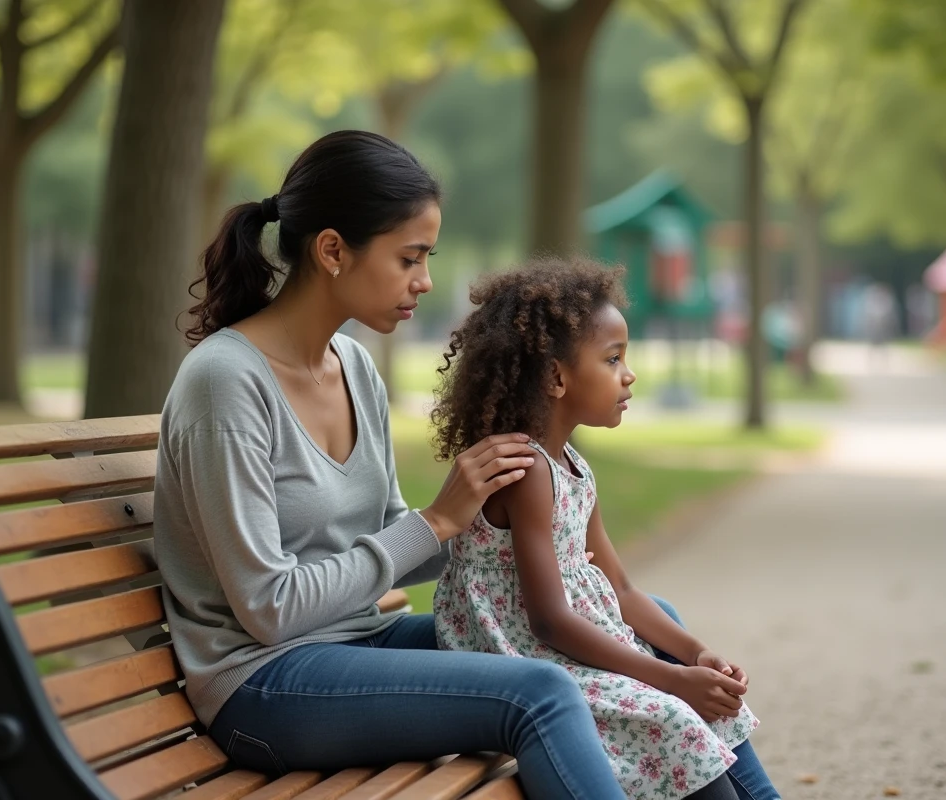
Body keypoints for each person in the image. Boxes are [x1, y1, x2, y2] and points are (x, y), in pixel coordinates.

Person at [156, 130, 669, 799]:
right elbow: (269, 609)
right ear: (333, 250)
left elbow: (397, 532)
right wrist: (436, 522)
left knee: (638, 623)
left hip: (363, 644)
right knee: (539, 691)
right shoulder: (226, 382)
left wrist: (495, 522)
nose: (425, 281)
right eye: (410, 258)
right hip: (265, 682)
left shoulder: (354, 367)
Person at [431, 259, 777, 800]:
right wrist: (669, 679)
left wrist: (695, 654)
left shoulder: (570, 465)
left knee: (693, 698)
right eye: (613, 359)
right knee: (674, 715)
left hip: (566, 651)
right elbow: (547, 621)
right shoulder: (526, 473)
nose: (629, 373)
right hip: (527, 661)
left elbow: (620, 587)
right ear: (555, 376)